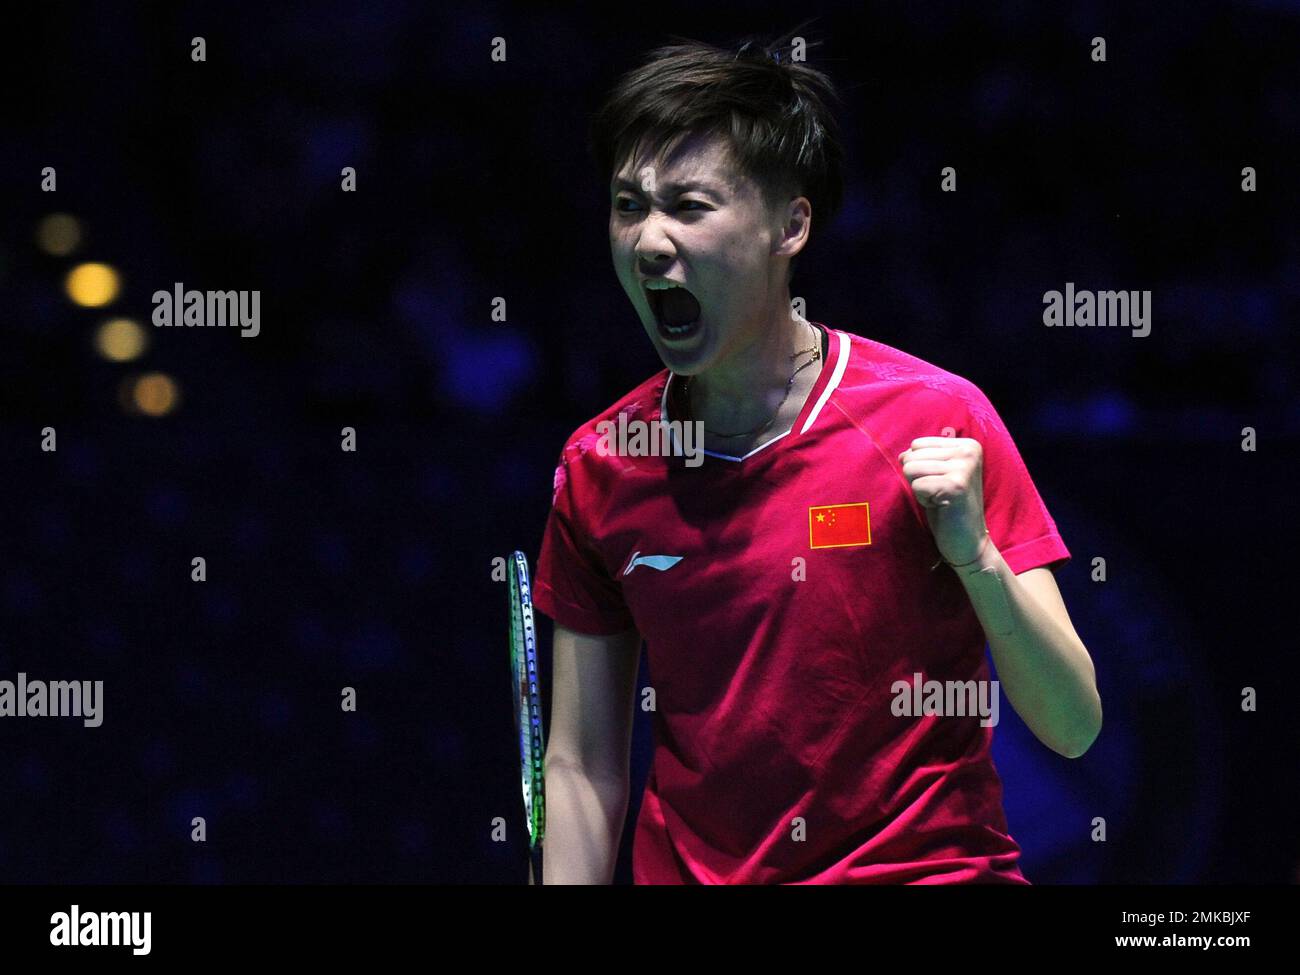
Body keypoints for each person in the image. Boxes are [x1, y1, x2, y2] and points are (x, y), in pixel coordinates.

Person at [533, 32, 1101, 884]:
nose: (649, 240)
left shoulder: (935, 417)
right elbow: (582, 769)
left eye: (689, 206)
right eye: (626, 204)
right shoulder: (602, 468)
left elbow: (1073, 722)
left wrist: (977, 559)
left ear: (789, 225)